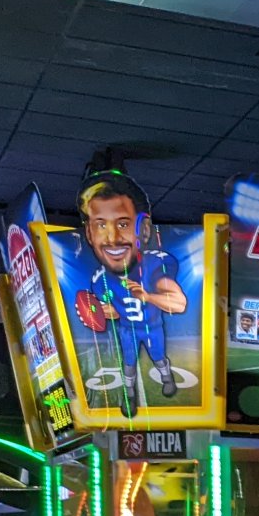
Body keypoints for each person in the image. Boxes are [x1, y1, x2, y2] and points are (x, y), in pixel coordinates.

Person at [75, 168, 187, 416]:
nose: (112, 238)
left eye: (123, 224)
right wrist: (101, 313)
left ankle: (167, 377)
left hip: (153, 328)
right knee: (128, 363)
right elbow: (115, 312)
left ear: (144, 229)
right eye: (100, 225)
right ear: (89, 234)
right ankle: (129, 395)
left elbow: (178, 303)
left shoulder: (156, 265)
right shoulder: (100, 280)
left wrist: (148, 297)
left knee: (159, 358)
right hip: (128, 330)